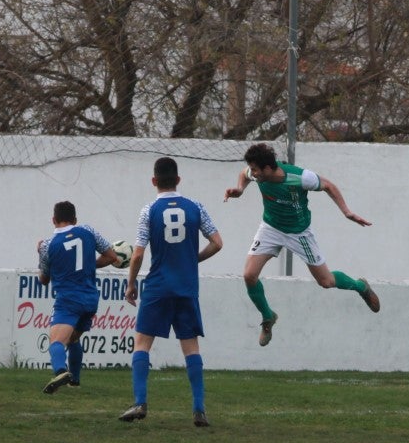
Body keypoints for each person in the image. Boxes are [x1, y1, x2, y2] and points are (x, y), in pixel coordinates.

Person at [223, 142, 379, 347]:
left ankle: (361, 287)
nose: (253, 173)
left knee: (327, 281)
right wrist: (240, 190)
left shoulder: (300, 177)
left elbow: (329, 186)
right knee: (249, 275)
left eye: (255, 170)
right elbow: (244, 175)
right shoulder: (257, 173)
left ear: (268, 169)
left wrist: (347, 212)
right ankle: (268, 317)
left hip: (299, 232)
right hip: (271, 228)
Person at [120, 156, 223, 427]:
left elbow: (138, 253)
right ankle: (199, 409)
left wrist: (131, 284)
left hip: (158, 286)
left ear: (154, 181)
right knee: (191, 347)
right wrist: (193, 259)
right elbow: (217, 243)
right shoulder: (196, 207)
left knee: (142, 344)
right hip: (187, 286)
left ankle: (140, 402)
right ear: (178, 180)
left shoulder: (148, 210)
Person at [36, 201, 119, 394]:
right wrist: (87, 265)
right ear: (75, 220)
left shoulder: (47, 245)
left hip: (68, 299)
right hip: (90, 299)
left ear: (53, 220)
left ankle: (60, 371)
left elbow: (43, 279)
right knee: (73, 339)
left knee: (56, 342)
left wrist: (38, 252)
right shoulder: (88, 231)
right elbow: (111, 256)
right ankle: (75, 380)